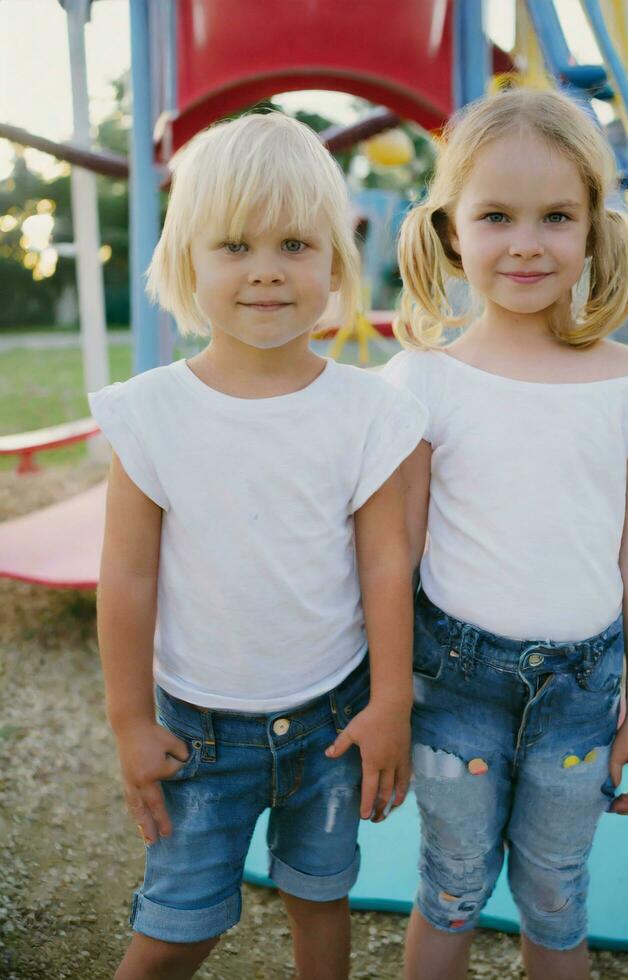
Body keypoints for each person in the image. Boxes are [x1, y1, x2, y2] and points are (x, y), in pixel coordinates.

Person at [89, 111, 427, 980]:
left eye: (293, 244)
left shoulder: (366, 410)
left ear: (335, 264)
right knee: (176, 924)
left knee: (321, 897)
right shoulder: (153, 413)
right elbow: (127, 578)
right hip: (200, 728)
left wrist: (390, 700)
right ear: (184, 262)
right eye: (234, 245)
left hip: (331, 717)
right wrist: (128, 719)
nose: (267, 270)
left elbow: (386, 562)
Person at [383, 88, 628, 980]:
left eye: (555, 216)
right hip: (453, 687)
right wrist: (389, 700)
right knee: (450, 885)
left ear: (594, 229)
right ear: (450, 231)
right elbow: (394, 557)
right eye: (496, 216)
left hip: (580, 694)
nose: (526, 242)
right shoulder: (422, 382)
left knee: (555, 894)